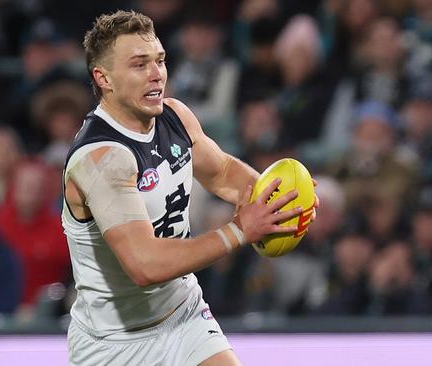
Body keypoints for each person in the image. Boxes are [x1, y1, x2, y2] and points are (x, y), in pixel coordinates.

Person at [63, 10, 311, 365]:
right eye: (139, 65)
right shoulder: (101, 160)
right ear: (103, 78)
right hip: (114, 344)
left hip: (184, 314)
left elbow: (223, 172)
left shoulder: (174, 116)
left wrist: (279, 198)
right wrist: (239, 230)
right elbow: (144, 265)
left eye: (160, 60)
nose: (156, 74)